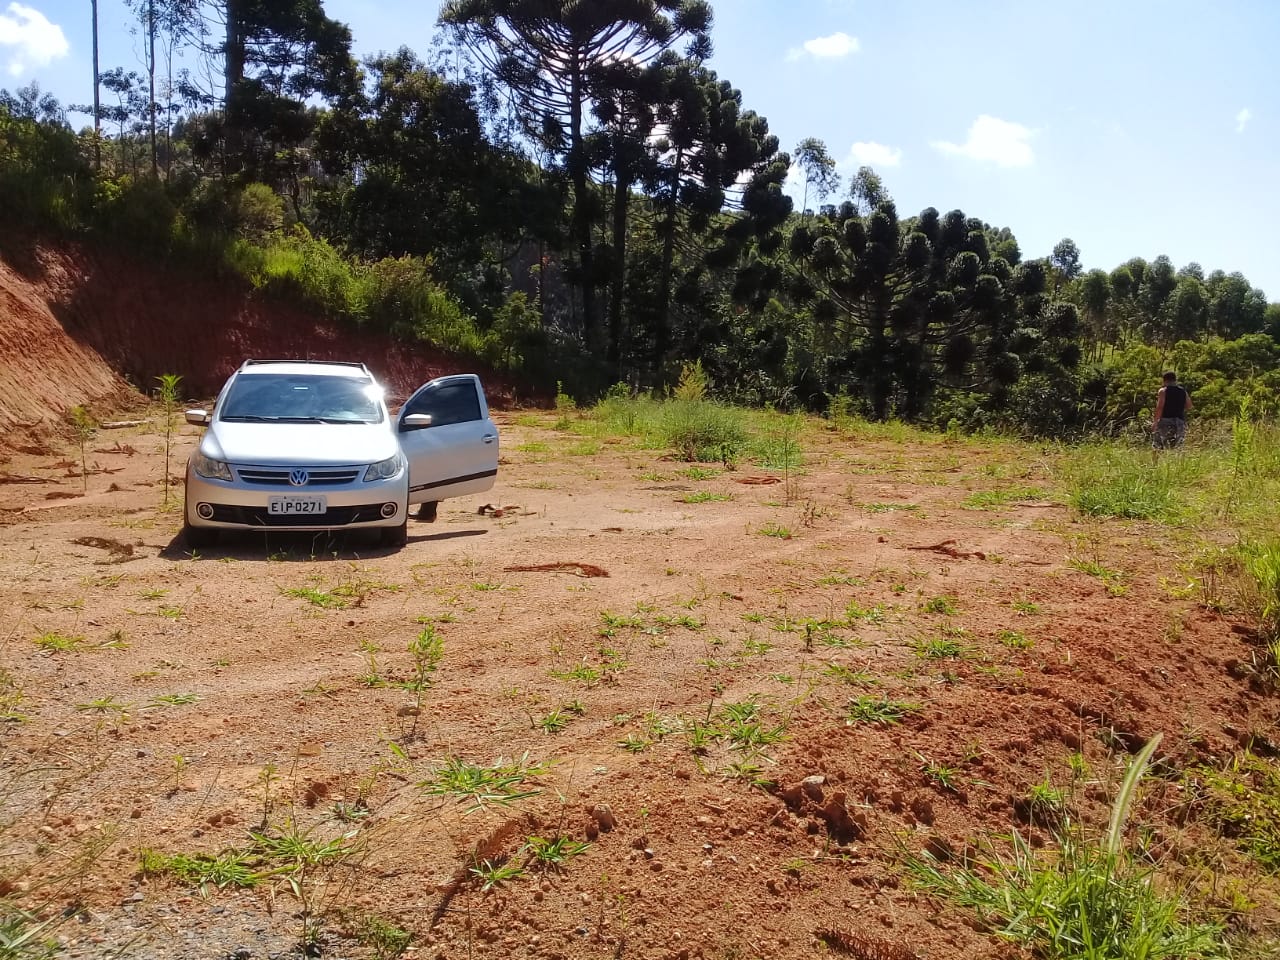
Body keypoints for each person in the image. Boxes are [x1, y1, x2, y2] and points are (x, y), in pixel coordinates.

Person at [1151, 371, 1191, 452]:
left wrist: (1155, 422)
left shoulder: (1163, 391)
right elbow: (1189, 406)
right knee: (1178, 446)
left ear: (1164, 380)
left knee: (1158, 444)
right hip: (1180, 421)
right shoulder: (1183, 391)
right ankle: (1178, 463)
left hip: (1166, 420)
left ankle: (1155, 463)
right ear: (1175, 380)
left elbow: (1160, 407)